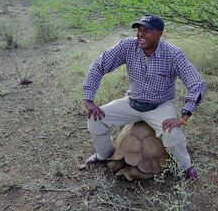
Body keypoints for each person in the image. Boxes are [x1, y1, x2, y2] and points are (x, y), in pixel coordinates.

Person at [83, 14, 205, 180]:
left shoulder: (173, 54)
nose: (141, 34)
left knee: (173, 134)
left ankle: (186, 168)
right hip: (132, 102)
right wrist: (89, 100)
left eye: (146, 30)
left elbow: (196, 83)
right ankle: (104, 155)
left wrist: (184, 117)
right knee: (95, 121)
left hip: (160, 105)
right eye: (139, 30)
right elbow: (99, 64)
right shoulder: (127, 46)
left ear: (159, 33)